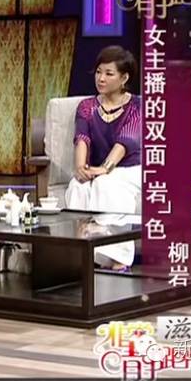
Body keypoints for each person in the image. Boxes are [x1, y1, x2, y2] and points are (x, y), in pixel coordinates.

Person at [64, 45, 141, 270]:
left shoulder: (137, 105)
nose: (101, 78)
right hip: (99, 168)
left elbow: (126, 141)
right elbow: (82, 138)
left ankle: (118, 260)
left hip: (131, 168)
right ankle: (86, 253)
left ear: (124, 78)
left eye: (109, 73)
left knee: (106, 184)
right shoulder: (87, 106)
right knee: (77, 186)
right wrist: (81, 167)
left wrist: (104, 169)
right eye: (98, 72)